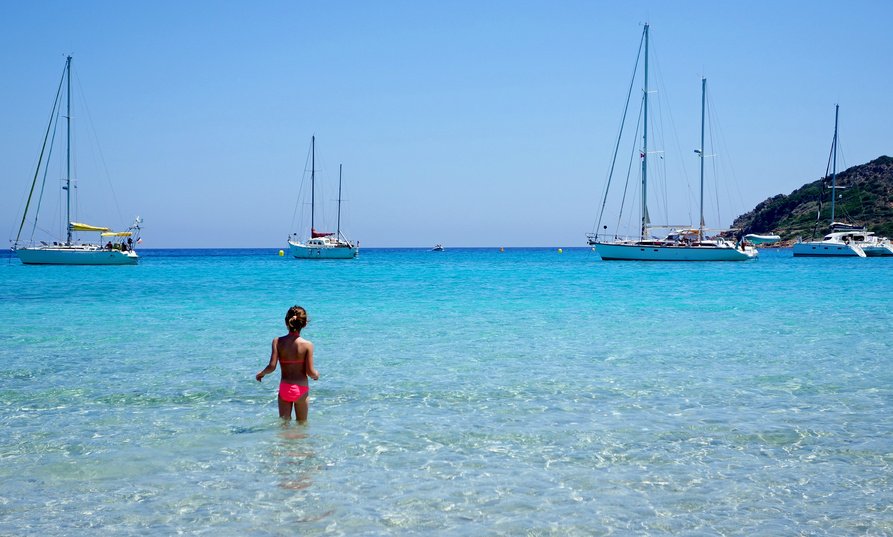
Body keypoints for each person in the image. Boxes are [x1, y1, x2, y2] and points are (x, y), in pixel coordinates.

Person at [256, 306, 319, 421]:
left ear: (286, 322)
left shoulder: (277, 341)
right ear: (304, 324)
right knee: (302, 425)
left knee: (284, 426)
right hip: (301, 390)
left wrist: (262, 373)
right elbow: (310, 372)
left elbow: (272, 366)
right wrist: (316, 375)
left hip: (284, 389)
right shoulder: (307, 345)